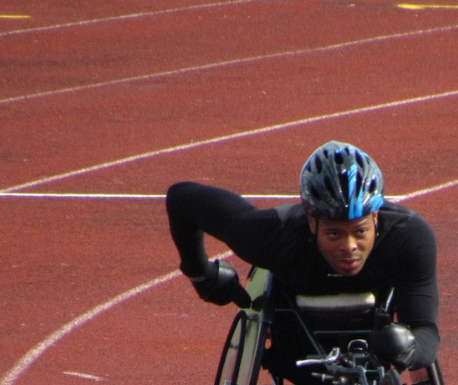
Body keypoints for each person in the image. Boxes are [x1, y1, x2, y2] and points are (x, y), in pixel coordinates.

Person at [165, 141, 439, 372]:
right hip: (295, 357)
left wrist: (408, 350)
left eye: (360, 231)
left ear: (376, 218)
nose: (349, 246)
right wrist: (202, 275)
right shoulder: (274, 235)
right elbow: (182, 198)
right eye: (334, 234)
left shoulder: (409, 238)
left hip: (376, 347)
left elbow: (426, 331)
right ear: (312, 223)